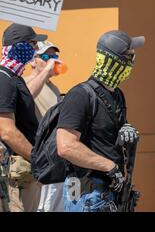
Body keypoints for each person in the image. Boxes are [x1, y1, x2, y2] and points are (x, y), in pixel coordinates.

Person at [56, 30, 145, 212]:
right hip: (86, 194)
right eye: (130, 56)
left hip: (110, 192)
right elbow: (66, 146)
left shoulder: (117, 94)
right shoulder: (80, 95)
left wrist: (126, 130)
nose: (133, 61)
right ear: (114, 59)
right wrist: (108, 166)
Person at [0, 24, 51, 212]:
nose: (35, 50)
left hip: (25, 172)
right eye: (32, 44)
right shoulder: (4, 79)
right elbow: (6, 131)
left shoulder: (14, 78)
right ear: (19, 47)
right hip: (14, 175)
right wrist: (38, 158)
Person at [24, 41, 64, 212]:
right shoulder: (25, 82)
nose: (52, 61)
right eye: (46, 57)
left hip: (53, 160)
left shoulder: (53, 87)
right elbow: (26, 96)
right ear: (33, 61)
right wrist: (47, 69)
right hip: (36, 159)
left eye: (55, 56)